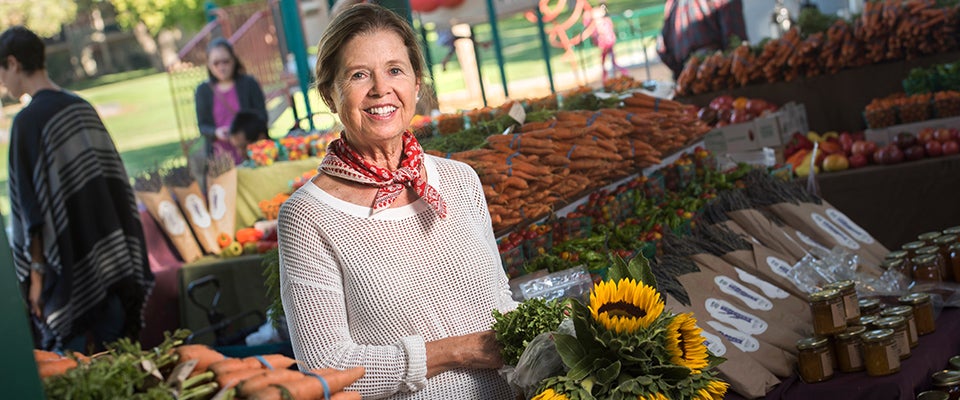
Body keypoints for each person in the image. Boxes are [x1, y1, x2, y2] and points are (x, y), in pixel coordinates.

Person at [276, 4, 517, 399]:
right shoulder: (307, 217)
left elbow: (498, 301)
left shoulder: (459, 180)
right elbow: (327, 366)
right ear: (329, 95)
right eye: (358, 75)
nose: (380, 89)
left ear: (417, 84)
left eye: (395, 70)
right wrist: (458, 352)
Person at [1, 26, 153, 352]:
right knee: (120, 362)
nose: (2, 82)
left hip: (67, 277)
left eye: (1, 72)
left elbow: (32, 213)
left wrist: (37, 279)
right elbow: (116, 190)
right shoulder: (81, 108)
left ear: (13, 63)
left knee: (77, 374)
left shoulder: (28, 122)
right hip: (112, 262)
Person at [195, 38, 268, 157]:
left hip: (254, 153)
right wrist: (216, 133)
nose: (221, 67)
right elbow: (203, 126)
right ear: (209, 65)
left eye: (226, 61)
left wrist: (241, 133)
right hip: (222, 158)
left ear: (234, 60)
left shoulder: (249, 83)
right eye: (216, 63)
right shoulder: (203, 90)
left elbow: (262, 116)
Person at [657, 0, 748, 79]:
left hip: (704, 78)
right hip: (716, 79)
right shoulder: (673, 3)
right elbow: (736, 42)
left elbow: (662, 48)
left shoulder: (673, 4)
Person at [584, 2, 629, 81]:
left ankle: (620, 73)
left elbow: (602, 28)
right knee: (607, 60)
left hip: (607, 41)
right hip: (606, 41)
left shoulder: (601, 19)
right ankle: (613, 75)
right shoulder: (599, 17)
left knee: (609, 60)